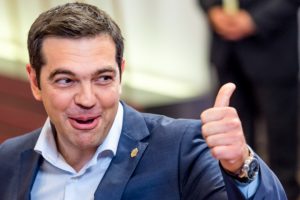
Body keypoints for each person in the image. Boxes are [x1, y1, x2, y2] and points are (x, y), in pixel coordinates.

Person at [0, 2, 286, 200]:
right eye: (66, 80)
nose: (87, 99)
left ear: (121, 74)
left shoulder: (183, 147)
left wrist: (241, 165)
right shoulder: (9, 160)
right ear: (35, 82)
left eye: (103, 78)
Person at [197, 0, 299, 198]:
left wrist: (254, 20)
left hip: (272, 46)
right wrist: (212, 10)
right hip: (226, 50)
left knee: (280, 138)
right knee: (234, 132)